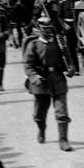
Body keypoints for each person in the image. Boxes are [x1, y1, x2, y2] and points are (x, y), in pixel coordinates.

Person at [24, 11, 73, 152]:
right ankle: (41, 130)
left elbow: (68, 57)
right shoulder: (33, 44)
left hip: (57, 80)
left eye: (49, 28)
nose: (47, 31)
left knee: (62, 113)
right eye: (44, 28)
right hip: (41, 83)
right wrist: (34, 77)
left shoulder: (59, 42)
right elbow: (28, 65)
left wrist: (70, 68)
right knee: (39, 114)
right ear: (39, 28)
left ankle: (63, 140)